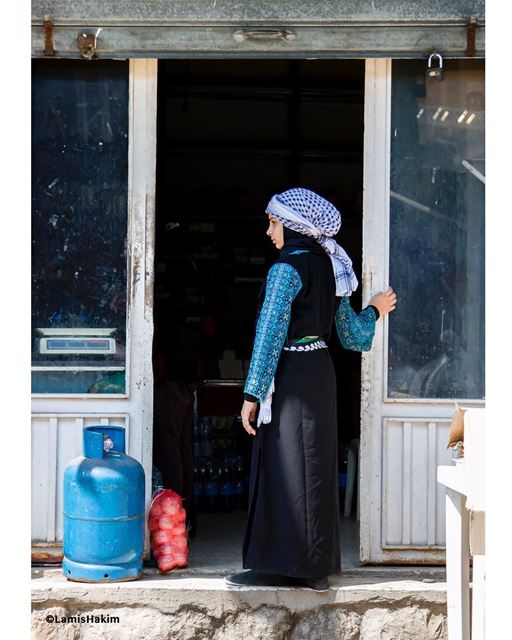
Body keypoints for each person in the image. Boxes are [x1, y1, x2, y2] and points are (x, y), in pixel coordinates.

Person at [224, 188, 396, 592]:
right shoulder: (330, 267)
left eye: (273, 222)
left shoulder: (286, 270)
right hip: (319, 373)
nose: (269, 232)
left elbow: (270, 333)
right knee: (313, 468)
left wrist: (251, 394)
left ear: (293, 225)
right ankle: (313, 569)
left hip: (290, 375)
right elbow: (353, 336)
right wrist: (373, 309)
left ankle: (276, 565)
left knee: (281, 467)